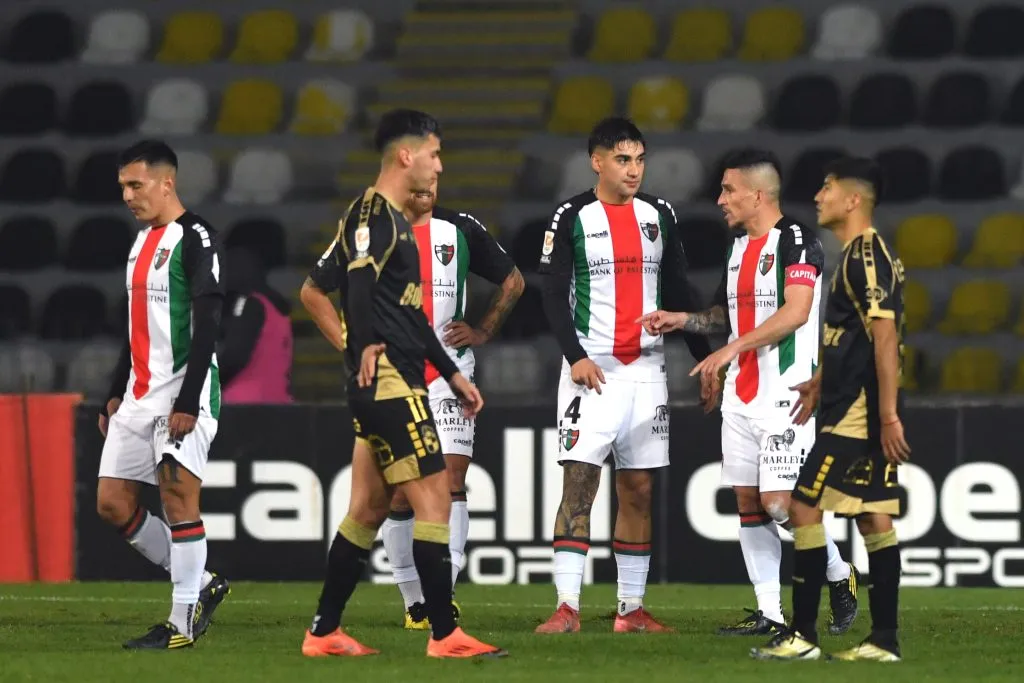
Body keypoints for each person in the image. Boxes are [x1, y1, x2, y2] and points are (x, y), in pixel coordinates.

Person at [298, 109, 505, 659]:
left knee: (366, 509)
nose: (440, 165)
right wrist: (360, 343)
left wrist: (454, 371)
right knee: (435, 498)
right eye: (434, 154)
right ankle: (444, 634)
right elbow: (357, 284)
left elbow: (411, 318)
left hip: (403, 376)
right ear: (406, 155)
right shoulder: (375, 216)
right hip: (392, 385)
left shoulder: (392, 220)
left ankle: (323, 633)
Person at [640, 150, 859, 636]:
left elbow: (796, 312)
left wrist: (727, 351)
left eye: (728, 190)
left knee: (782, 504)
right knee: (748, 503)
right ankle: (770, 612)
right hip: (741, 395)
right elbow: (725, 314)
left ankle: (840, 573)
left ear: (758, 194)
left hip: (787, 392)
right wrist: (685, 320)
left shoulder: (798, 241)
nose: (719, 200)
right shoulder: (738, 247)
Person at [535, 117, 711, 634]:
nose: (633, 170)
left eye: (639, 159)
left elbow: (678, 289)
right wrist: (575, 358)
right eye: (622, 159)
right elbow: (549, 295)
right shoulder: (571, 215)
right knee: (580, 486)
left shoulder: (659, 213)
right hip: (592, 372)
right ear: (597, 161)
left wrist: (704, 358)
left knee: (637, 491)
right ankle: (567, 606)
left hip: (647, 373)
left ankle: (629, 611)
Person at [752, 157, 909, 662]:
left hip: (857, 413)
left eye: (827, 187)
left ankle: (802, 636)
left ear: (852, 199)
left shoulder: (866, 255)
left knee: (802, 506)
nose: (818, 196)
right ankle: (883, 641)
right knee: (872, 519)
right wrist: (821, 381)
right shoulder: (854, 255)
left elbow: (885, 337)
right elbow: (857, 336)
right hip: (845, 403)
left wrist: (887, 415)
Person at [97, 140, 230, 649]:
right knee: (112, 504)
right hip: (137, 395)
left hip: (182, 391)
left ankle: (180, 624)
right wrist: (114, 392)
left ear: (167, 181)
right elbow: (135, 327)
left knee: (178, 498)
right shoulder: (139, 241)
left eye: (137, 185)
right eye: (124, 188)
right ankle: (203, 583)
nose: (129, 196)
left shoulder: (196, 237)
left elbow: (209, 322)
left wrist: (189, 400)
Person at [382, 182, 525, 628]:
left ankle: (443, 594)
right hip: (394, 374)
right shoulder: (375, 231)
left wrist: (483, 330)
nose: (427, 184)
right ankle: (414, 602)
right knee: (402, 492)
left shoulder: (461, 227)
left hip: (450, 373)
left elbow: (513, 281)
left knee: (450, 478)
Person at [219, 247, 294, 404]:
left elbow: (234, 356)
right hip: (278, 400)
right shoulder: (277, 307)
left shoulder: (247, 303)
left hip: (243, 403)